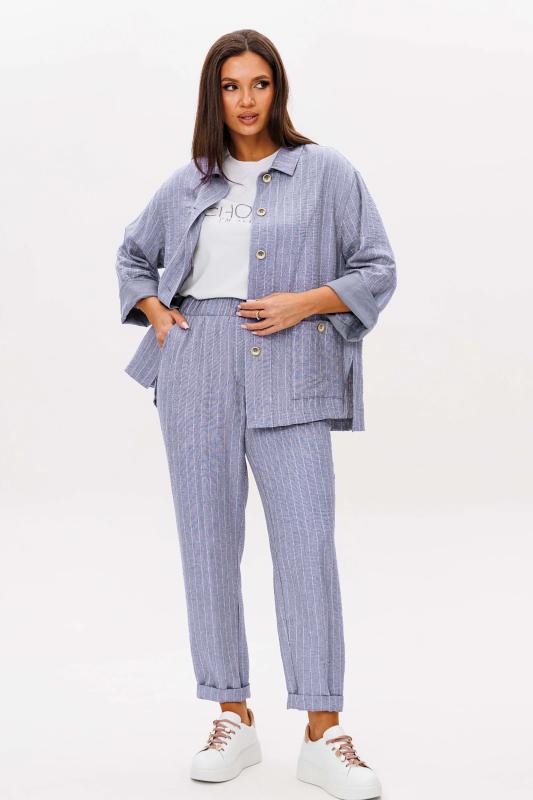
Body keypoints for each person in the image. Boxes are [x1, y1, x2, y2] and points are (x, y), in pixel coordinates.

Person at [115, 28, 396, 800]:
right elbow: (133, 256)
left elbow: (376, 266)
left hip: (292, 362)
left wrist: (304, 302)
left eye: (259, 84)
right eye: (230, 86)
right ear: (214, 95)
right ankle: (231, 716)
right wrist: (159, 313)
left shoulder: (326, 172)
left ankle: (322, 731)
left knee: (306, 547)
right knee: (208, 546)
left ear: (278, 89)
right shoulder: (187, 183)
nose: (245, 100)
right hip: (196, 363)